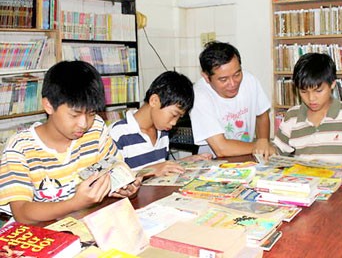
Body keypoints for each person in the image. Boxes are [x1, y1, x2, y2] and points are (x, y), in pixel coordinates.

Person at [0, 61, 139, 225]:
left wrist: (127, 187)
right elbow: (22, 212)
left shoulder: (96, 129)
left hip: (89, 224)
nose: (84, 123)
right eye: (75, 115)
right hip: (45, 236)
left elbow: (117, 169)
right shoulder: (20, 147)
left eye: (91, 113)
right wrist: (74, 203)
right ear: (49, 105)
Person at [272, 53, 342, 173]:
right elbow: (278, 151)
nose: (311, 98)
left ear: (332, 84)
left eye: (318, 91)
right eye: (304, 92)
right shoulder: (292, 115)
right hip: (304, 183)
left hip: (339, 184)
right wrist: (267, 149)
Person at [110, 71, 211, 177]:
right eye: (173, 114)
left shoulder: (162, 132)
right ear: (154, 101)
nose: (174, 123)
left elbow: (159, 167)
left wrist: (186, 162)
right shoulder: (118, 134)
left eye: (179, 118)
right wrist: (150, 171)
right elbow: (113, 180)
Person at [190, 41, 273, 158]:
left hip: (246, 156)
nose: (233, 83)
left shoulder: (250, 80)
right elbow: (221, 149)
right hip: (214, 163)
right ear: (206, 77)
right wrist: (260, 146)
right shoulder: (199, 95)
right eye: (223, 80)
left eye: (237, 74)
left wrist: (263, 141)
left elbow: (262, 115)